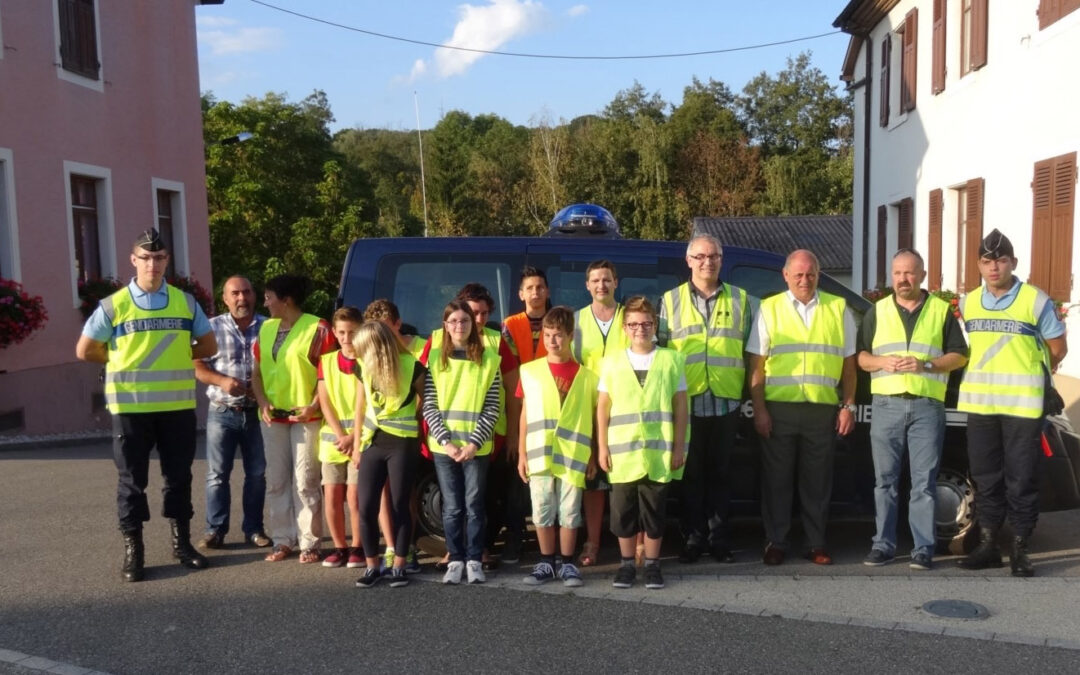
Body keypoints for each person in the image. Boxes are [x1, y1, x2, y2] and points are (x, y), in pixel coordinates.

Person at [75, 228, 216, 582]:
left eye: (159, 257)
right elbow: (85, 350)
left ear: (167, 260)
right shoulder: (113, 305)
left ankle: (182, 545)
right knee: (132, 482)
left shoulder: (185, 302)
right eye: (146, 257)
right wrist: (121, 357)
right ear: (133, 261)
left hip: (176, 407)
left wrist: (178, 354)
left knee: (178, 478)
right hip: (130, 408)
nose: (152, 263)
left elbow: (209, 346)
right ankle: (133, 552)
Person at [956, 229, 1067, 577]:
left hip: (1022, 407)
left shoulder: (1035, 300)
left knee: (1021, 480)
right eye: (987, 261)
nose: (994, 267)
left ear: (1013, 263)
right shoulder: (967, 302)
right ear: (978, 264)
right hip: (981, 406)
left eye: (1001, 260)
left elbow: (1058, 348)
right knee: (986, 479)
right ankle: (989, 545)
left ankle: (1020, 548)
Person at [857, 249, 968, 570]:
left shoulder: (940, 310)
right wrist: (881, 361)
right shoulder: (877, 311)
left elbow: (959, 355)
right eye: (897, 274)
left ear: (922, 275)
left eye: (909, 273)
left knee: (924, 483)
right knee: (885, 482)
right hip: (886, 406)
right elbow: (861, 358)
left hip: (926, 407)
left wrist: (927, 364)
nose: (902, 280)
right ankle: (883, 545)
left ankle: (923, 548)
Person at [748, 249, 857, 566]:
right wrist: (760, 410)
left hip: (821, 411)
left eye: (810, 274)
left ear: (818, 275)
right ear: (785, 276)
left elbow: (849, 368)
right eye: (797, 274)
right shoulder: (769, 308)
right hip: (779, 410)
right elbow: (757, 366)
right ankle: (776, 541)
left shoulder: (839, 309)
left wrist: (848, 405)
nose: (804, 280)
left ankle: (816, 543)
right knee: (776, 480)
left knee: (817, 481)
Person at [659, 234, 750, 564]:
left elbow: (752, 352)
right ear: (688, 261)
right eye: (700, 256)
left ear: (721, 260)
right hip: (687, 403)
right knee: (691, 477)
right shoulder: (669, 301)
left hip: (726, 402)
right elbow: (662, 354)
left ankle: (719, 540)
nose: (707, 262)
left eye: (713, 256)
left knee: (722, 475)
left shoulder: (741, 300)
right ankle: (693, 539)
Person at [423, 283, 520, 570]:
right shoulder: (436, 341)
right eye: (472, 313)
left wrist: (512, 434)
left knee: (484, 499)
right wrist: (438, 436)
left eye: (483, 314)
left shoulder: (494, 342)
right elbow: (425, 392)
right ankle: (455, 554)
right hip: (447, 440)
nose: (477, 320)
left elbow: (513, 390)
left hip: (488, 436)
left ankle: (480, 551)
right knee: (453, 503)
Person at [597, 296, 688, 591]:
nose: (640, 329)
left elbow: (681, 408)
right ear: (625, 327)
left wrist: (678, 448)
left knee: (654, 512)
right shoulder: (610, 362)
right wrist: (602, 447)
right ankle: (625, 565)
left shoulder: (672, 359)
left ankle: (652, 565)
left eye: (646, 323)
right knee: (622, 512)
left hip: (658, 452)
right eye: (634, 324)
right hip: (622, 452)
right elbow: (603, 407)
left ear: (655, 325)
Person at [251, 275, 336, 563]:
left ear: (286, 300)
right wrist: (261, 400)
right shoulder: (266, 328)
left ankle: (310, 542)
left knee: (305, 481)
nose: (264, 302)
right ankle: (282, 539)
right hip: (273, 417)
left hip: (306, 416)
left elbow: (329, 374)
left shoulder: (319, 328)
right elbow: (257, 372)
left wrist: (314, 405)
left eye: (268, 297)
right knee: (275, 481)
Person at [517, 307, 599, 587]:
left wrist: (593, 455)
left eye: (559, 336)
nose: (553, 342)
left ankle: (567, 563)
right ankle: (546, 562)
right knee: (541, 508)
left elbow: (593, 417)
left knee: (569, 510)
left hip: (575, 453)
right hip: (539, 451)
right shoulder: (529, 372)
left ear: (570, 336)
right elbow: (525, 414)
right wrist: (521, 454)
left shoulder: (588, 377)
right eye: (548, 336)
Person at [194, 275, 270, 550]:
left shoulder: (269, 327)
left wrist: (261, 390)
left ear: (254, 295)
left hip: (256, 414)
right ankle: (215, 530)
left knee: (257, 474)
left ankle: (254, 529)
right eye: (235, 293)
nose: (242, 298)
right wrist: (223, 381)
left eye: (247, 292)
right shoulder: (210, 328)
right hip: (222, 411)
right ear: (224, 299)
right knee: (217, 474)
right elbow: (198, 367)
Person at [352, 321, 427, 588]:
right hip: (373, 442)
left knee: (399, 505)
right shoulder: (362, 368)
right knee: (367, 506)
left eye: (362, 348)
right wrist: (357, 446)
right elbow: (360, 406)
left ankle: (399, 564)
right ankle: (373, 565)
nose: (358, 353)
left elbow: (427, 399)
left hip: (402, 443)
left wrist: (415, 420)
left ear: (376, 346)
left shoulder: (412, 366)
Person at [572, 260, 626, 567]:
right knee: (593, 481)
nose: (601, 285)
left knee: (625, 480)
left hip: (625, 410)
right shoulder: (577, 321)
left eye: (607, 279)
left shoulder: (627, 318)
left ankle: (628, 543)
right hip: (590, 410)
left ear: (616, 282)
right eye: (596, 280)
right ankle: (591, 542)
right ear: (587, 286)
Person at [500, 267, 550, 563]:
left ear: (547, 291)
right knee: (516, 481)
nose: (535, 292)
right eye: (529, 288)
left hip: (550, 410)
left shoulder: (558, 321)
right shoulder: (510, 325)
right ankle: (515, 537)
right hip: (518, 406)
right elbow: (508, 373)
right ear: (521, 294)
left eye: (540, 287)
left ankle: (553, 542)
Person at [315, 306, 366, 569]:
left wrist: (353, 438)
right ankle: (339, 547)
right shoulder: (326, 361)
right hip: (333, 441)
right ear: (334, 333)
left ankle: (358, 546)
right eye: (342, 332)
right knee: (332, 494)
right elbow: (325, 403)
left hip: (359, 441)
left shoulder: (367, 361)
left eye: (352, 332)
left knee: (354, 497)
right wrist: (340, 435)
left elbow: (365, 404)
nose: (347, 338)